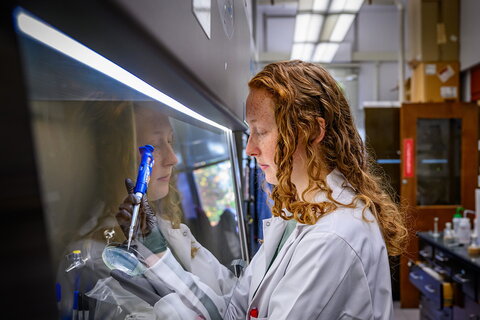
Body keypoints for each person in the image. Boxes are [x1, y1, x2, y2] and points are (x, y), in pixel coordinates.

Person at [112, 60, 408, 319]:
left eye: (262, 132)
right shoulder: (296, 214)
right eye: (250, 131)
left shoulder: (334, 236)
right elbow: (236, 310)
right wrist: (154, 248)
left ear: (314, 131)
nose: (251, 148)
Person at [57, 102, 237, 319]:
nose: (173, 159)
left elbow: (233, 299)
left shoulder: (166, 230)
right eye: (155, 145)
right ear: (113, 154)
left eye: (170, 141)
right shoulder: (94, 257)